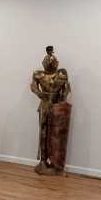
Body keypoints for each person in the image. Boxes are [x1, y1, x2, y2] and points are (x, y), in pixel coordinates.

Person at [31, 46, 71, 175]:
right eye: (47, 62)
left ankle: (55, 161)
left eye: (52, 61)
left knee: (57, 134)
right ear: (43, 63)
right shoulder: (39, 74)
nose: (50, 63)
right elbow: (34, 87)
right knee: (43, 133)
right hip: (44, 106)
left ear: (57, 63)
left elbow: (66, 88)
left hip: (58, 106)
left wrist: (63, 96)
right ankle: (43, 160)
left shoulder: (62, 73)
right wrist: (40, 94)